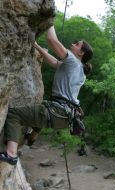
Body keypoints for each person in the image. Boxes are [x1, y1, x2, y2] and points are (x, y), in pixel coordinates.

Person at [0, 25, 93, 166]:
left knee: (13, 114)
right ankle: (32, 137)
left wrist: (50, 22)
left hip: (57, 112)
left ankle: (11, 154)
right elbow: (55, 62)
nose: (73, 44)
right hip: (64, 118)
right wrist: (37, 47)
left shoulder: (73, 61)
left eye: (77, 44)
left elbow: (51, 39)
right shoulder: (79, 70)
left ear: (81, 53)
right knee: (43, 107)